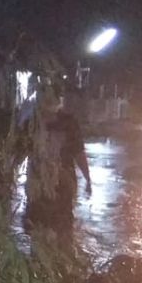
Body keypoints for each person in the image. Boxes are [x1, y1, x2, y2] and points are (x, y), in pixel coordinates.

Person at [22, 90, 92, 232]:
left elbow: (78, 152)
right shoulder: (32, 123)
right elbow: (20, 150)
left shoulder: (68, 123)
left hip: (62, 184)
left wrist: (87, 178)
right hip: (38, 185)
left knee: (61, 227)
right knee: (37, 226)